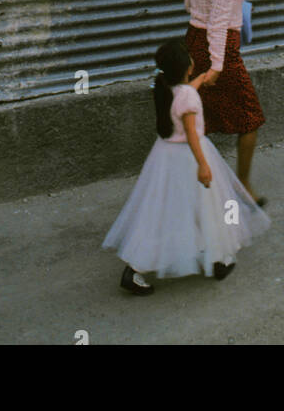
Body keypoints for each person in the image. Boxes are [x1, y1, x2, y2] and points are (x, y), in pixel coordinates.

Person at [102, 36, 270, 295]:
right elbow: (192, 132)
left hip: (165, 157)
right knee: (209, 205)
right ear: (187, 66)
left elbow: (186, 93)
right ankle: (218, 258)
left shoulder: (165, 89)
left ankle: (135, 269)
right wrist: (203, 164)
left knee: (164, 212)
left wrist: (202, 80)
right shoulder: (188, 98)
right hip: (189, 157)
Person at [184, 0, 267, 205]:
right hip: (219, 50)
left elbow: (188, 5)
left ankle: (200, 185)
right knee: (250, 117)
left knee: (197, 117)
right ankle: (241, 184)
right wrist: (217, 66)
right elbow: (218, 26)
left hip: (193, 42)